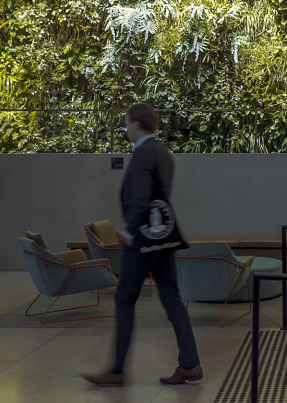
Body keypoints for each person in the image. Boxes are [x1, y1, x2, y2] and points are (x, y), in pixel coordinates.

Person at [84, 103, 202, 387]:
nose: (126, 128)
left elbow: (140, 198)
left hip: (143, 240)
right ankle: (190, 364)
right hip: (165, 238)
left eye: (127, 123)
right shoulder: (163, 153)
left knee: (124, 300)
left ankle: (116, 371)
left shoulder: (141, 155)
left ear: (137, 123)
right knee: (171, 299)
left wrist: (130, 231)